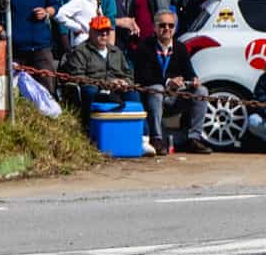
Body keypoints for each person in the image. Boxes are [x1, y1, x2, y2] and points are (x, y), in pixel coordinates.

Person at [134, 9, 211, 154]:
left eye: (170, 25)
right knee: (156, 88)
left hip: (173, 96)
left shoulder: (180, 47)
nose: (167, 29)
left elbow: (189, 71)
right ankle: (156, 139)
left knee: (202, 91)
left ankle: (194, 138)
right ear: (154, 27)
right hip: (153, 98)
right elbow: (142, 76)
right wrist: (168, 82)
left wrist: (193, 79)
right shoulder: (145, 47)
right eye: (162, 25)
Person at [61, 16, 140, 138]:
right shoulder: (81, 51)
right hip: (95, 89)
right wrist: (106, 83)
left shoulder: (116, 52)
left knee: (133, 94)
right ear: (91, 32)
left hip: (117, 90)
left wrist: (124, 83)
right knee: (89, 90)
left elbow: (129, 74)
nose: (104, 34)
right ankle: (88, 130)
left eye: (107, 31)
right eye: (100, 31)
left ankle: (140, 136)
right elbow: (77, 76)